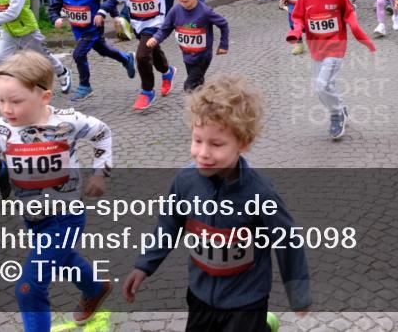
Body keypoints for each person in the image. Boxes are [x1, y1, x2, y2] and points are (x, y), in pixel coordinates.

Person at [122, 75, 312, 327]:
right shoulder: (185, 182)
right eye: (197, 140)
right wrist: (144, 265)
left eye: (216, 144)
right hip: (200, 294)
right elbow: (169, 224)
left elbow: (287, 240)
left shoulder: (261, 193)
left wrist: (298, 294)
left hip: (245, 301)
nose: (203, 153)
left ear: (243, 143)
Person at [0, 52, 113, 331]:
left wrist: (100, 173)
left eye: (16, 101)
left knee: (28, 288)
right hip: (32, 219)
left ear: (44, 97)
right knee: (65, 258)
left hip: (66, 217)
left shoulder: (67, 122)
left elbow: (102, 133)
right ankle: (95, 288)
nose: (6, 109)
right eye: (1, 100)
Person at [287, 0, 375, 139]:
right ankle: (340, 107)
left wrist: (359, 32)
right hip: (316, 48)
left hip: (336, 46)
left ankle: (336, 114)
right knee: (325, 86)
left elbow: (350, 14)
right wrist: (295, 31)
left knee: (321, 85)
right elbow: (298, 18)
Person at [99, 0, 176, 111]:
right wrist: (102, 11)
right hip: (137, 24)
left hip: (156, 23)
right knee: (154, 52)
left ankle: (147, 91)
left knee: (142, 56)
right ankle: (167, 71)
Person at [48, 0, 136, 100]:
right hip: (80, 30)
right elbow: (53, 9)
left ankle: (85, 86)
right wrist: (55, 18)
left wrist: (114, 16)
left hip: (93, 29)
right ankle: (126, 59)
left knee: (78, 54)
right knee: (104, 50)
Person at [146, 0, 229, 91]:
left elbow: (223, 23)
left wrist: (223, 44)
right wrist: (156, 38)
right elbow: (165, 29)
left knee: (189, 86)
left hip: (202, 56)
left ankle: (196, 107)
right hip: (187, 55)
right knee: (198, 84)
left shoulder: (205, 12)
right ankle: (206, 103)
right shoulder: (175, 11)